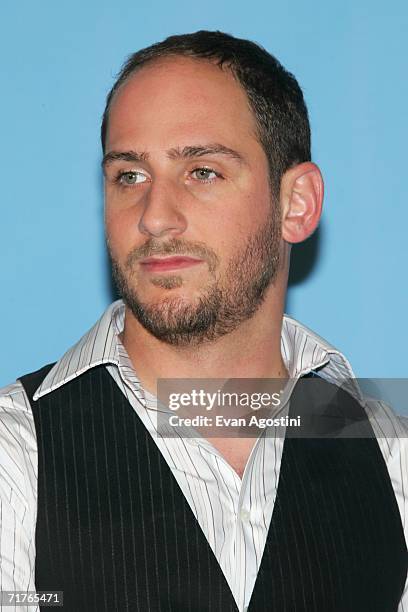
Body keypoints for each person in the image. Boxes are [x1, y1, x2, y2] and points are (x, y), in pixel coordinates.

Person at [0, 30, 406, 612]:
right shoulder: (15, 459)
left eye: (203, 171)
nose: (155, 218)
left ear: (297, 203)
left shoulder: (391, 462)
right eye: (130, 176)